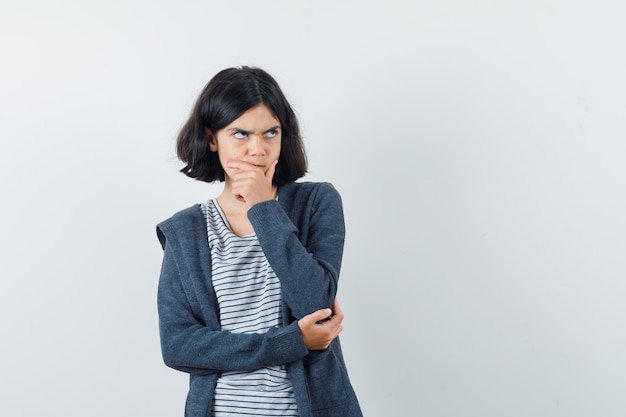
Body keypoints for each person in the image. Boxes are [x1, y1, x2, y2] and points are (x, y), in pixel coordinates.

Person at [156, 66, 363, 417]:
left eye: (270, 132)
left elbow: (315, 303)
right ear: (211, 139)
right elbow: (178, 346)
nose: (258, 149)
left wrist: (264, 210)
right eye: (240, 134)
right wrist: (291, 342)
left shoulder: (317, 202)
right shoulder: (185, 230)